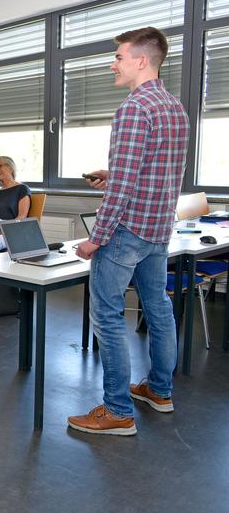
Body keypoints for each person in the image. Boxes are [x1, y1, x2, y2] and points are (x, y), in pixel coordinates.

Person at [67, 27, 189, 436]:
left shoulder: (134, 108)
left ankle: (117, 410)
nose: (113, 63)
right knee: (158, 309)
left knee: (108, 315)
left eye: (119, 56)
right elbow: (160, 171)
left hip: (126, 232)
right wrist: (113, 172)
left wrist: (96, 237)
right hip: (158, 229)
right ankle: (159, 390)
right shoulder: (175, 108)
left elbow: (123, 190)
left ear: (141, 60)